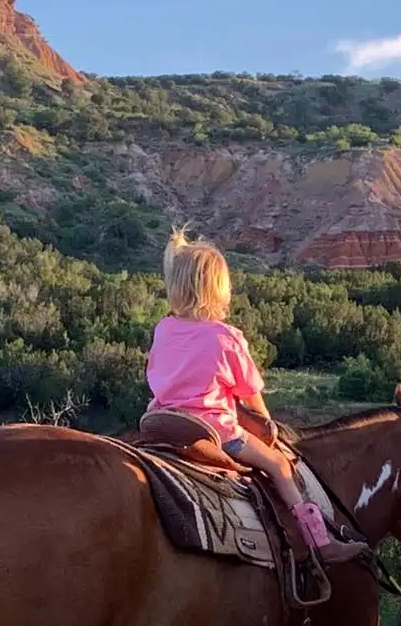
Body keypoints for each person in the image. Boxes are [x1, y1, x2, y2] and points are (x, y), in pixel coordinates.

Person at [147, 229, 365, 563]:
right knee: (279, 466)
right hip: (213, 430)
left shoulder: (164, 329)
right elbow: (251, 396)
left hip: (161, 423)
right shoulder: (225, 337)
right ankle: (320, 543)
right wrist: (268, 427)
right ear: (218, 288)